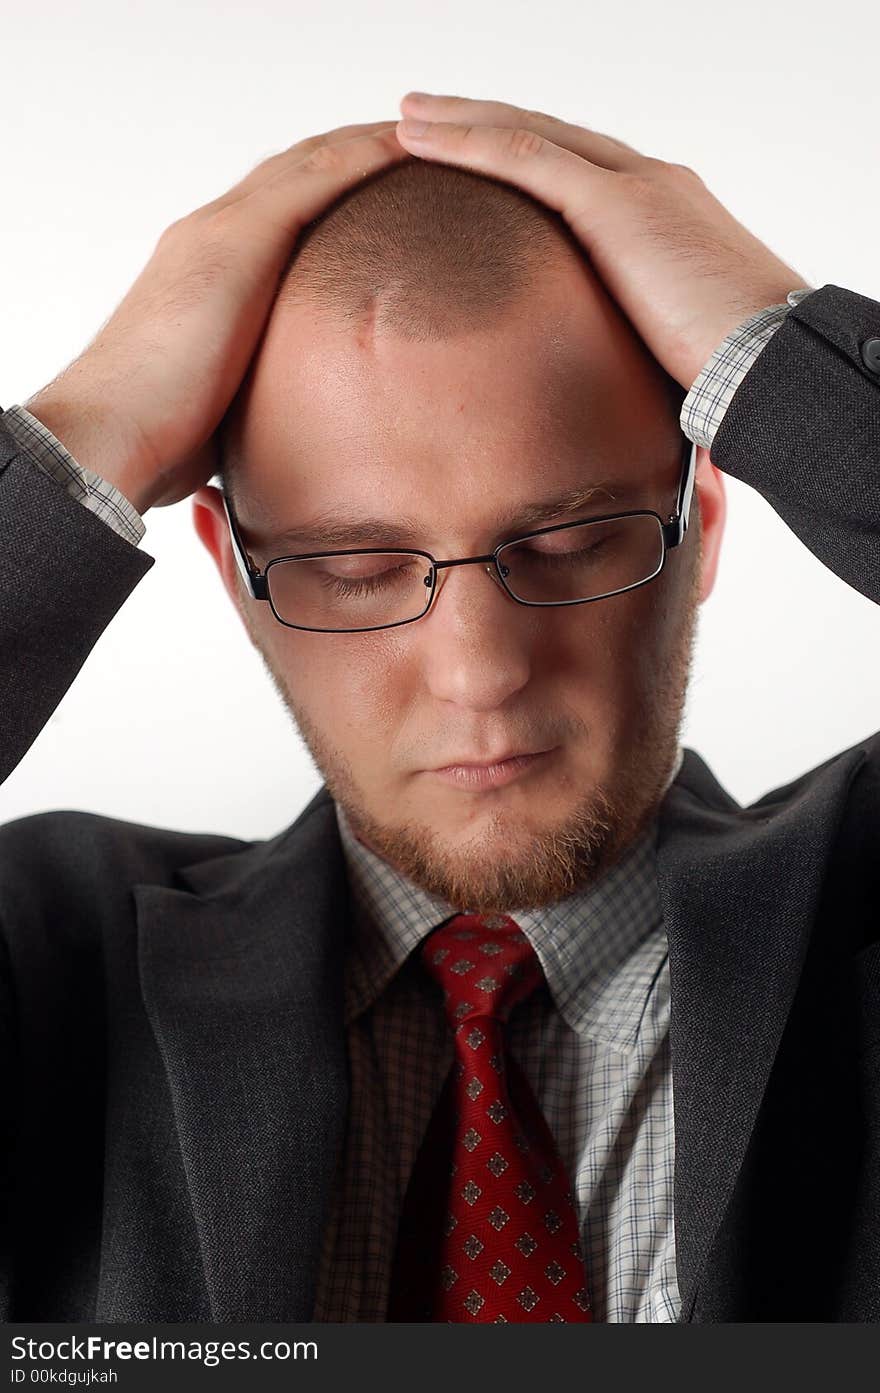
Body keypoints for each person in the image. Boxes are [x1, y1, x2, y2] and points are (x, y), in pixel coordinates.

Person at [0, 92, 878, 1324]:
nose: (478, 672)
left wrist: (779, 357)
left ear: (707, 525)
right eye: (356, 571)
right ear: (233, 576)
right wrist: (83, 430)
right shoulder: (49, 958)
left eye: (573, 542)